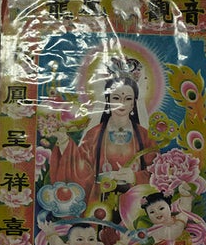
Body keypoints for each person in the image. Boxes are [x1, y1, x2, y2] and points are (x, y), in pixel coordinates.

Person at [49, 73, 154, 204]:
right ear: (108, 101)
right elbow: (81, 169)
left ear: (133, 104)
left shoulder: (144, 136)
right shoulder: (94, 134)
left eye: (127, 99)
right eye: (116, 98)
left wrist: (135, 177)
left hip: (136, 203)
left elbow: (156, 171)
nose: (121, 103)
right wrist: (65, 143)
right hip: (100, 202)